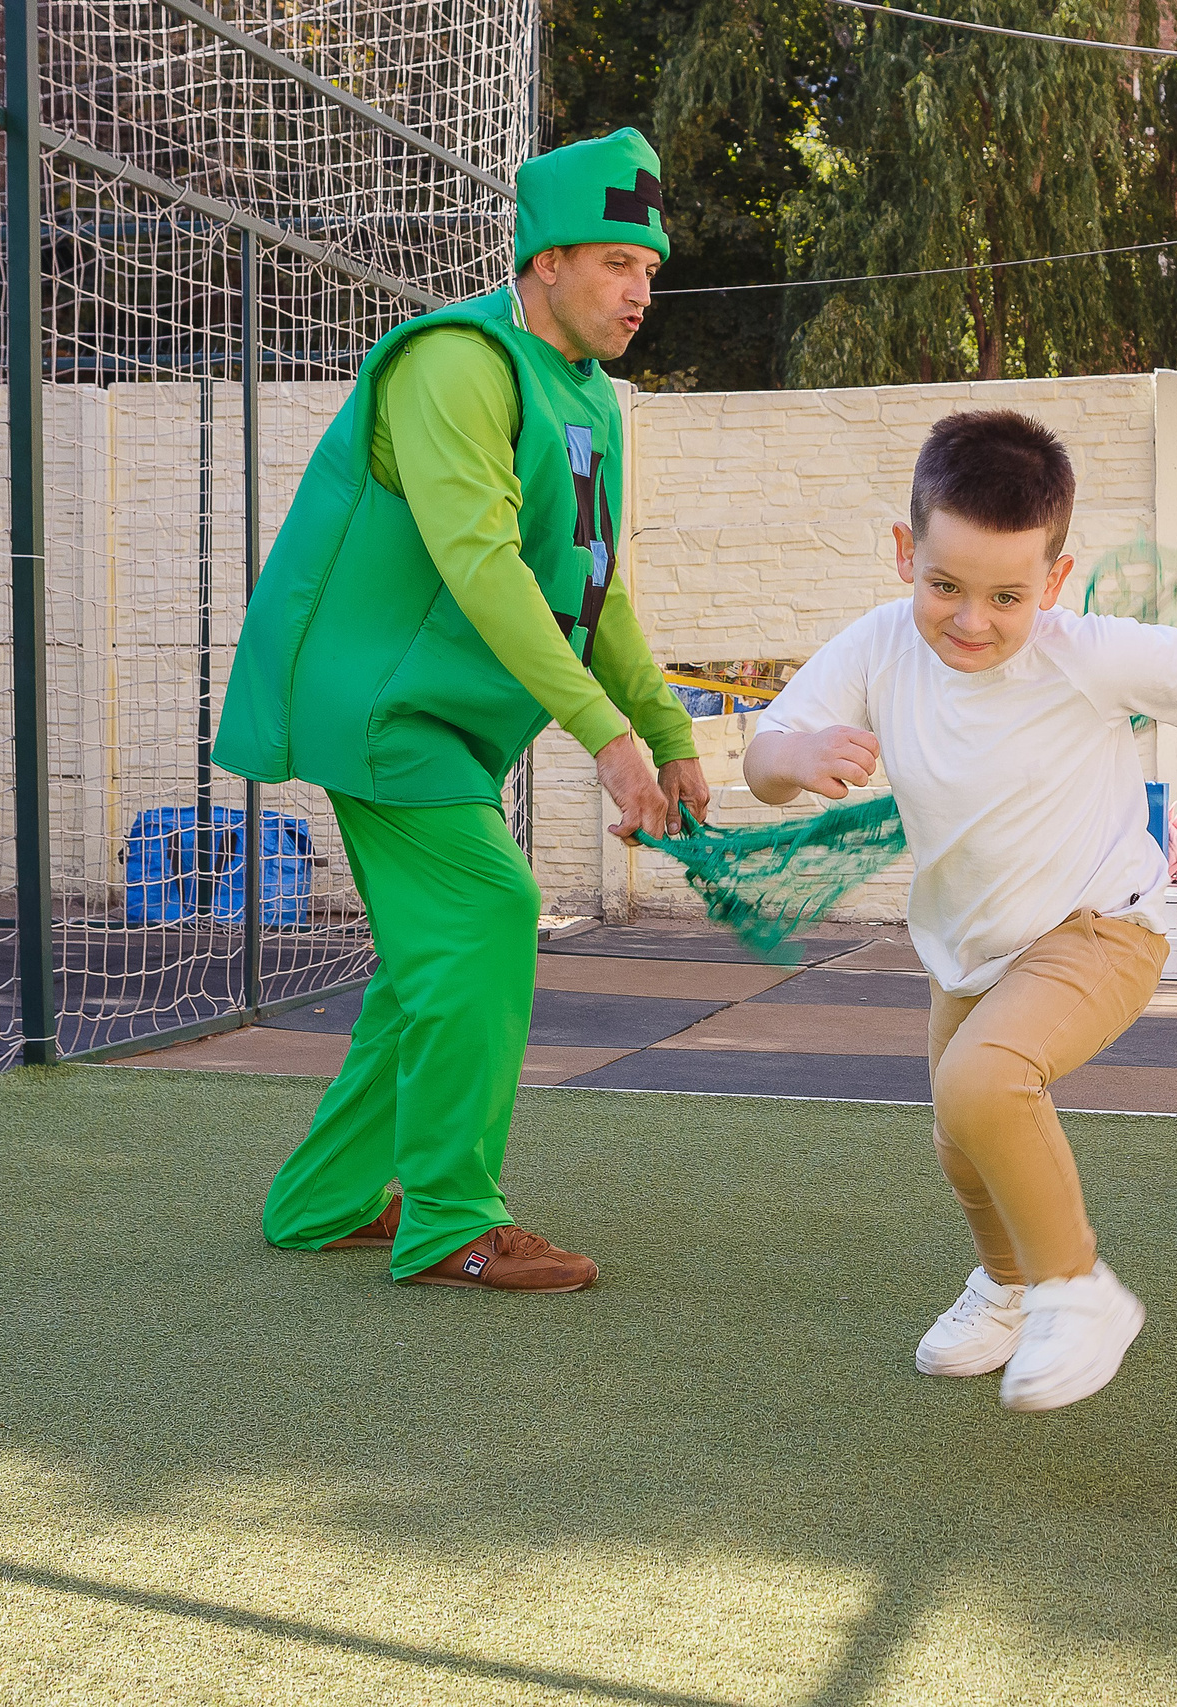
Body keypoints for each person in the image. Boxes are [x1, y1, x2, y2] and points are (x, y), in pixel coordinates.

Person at [742, 410, 1177, 1411]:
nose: (971, 620)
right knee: (961, 1135)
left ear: (1054, 581)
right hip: (967, 948)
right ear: (903, 554)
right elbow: (764, 756)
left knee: (983, 1082)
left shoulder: (1080, 652)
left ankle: (1075, 1289)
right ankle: (1005, 1284)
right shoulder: (878, 646)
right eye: (945, 587)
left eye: (1007, 595)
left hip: (1102, 924)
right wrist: (792, 756)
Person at [218, 129, 705, 1293]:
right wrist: (606, 736)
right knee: (490, 908)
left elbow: (588, 581)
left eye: (649, 270)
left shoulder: (589, 394)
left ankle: (324, 1200)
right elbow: (482, 564)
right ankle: (448, 1220)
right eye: (612, 263)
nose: (638, 291)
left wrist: (672, 734)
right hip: (373, 703)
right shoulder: (456, 364)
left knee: (430, 963)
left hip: (437, 715)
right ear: (543, 262)